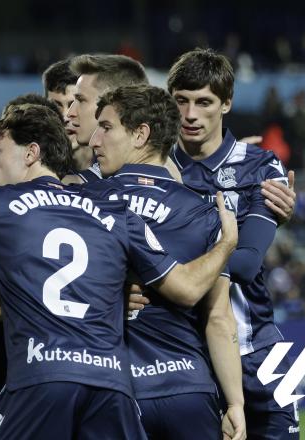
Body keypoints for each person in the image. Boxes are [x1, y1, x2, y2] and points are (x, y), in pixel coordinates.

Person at [0, 103, 239, 439]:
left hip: (39, 381)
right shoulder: (112, 211)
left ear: (31, 153)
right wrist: (226, 244)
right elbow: (188, 289)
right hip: (110, 387)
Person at [85, 84, 245, 440]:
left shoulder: (84, 202)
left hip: (114, 388)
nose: (95, 140)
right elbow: (219, 319)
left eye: (107, 127)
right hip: (189, 390)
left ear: (141, 134)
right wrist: (235, 403)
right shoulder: (205, 213)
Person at [167, 48, 298, 439]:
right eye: (181, 101)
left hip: (262, 350)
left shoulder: (261, 166)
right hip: (191, 357)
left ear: (226, 103)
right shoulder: (154, 173)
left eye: (203, 102)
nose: (190, 115)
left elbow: (245, 263)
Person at [64, 54, 152, 184]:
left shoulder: (158, 181)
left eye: (81, 100)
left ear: (113, 101)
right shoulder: (113, 163)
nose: (70, 113)